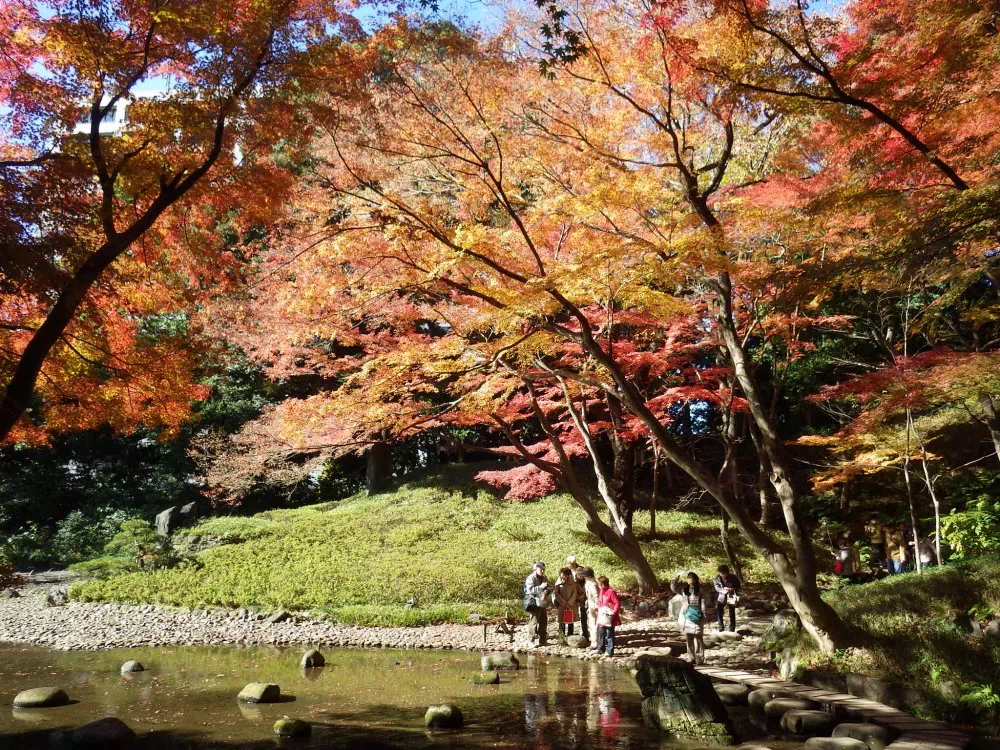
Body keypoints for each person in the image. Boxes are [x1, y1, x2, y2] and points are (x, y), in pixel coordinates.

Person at [679, 572, 706, 664]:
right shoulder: (685, 590)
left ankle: (699, 659)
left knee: (698, 637)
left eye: (691, 577)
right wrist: (677, 576)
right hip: (686, 615)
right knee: (689, 637)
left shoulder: (700, 590)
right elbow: (673, 587)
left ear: (695, 579)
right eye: (688, 578)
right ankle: (691, 657)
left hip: (697, 615)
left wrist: (704, 613)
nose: (689, 579)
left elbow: (703, 602)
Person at [524, 562, 551, 646]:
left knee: (544, 621)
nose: (542, 571)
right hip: (534, 602)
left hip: (542, 602)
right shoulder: (531, 578)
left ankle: (543, 640)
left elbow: (547, 587)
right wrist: (540, 587)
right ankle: (530, 641)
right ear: (536, 569)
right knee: (534, 621)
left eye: (544, 569)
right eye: (541, 569)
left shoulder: (544, 577)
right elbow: (529, 590)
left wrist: (546, 593)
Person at [595, 576, 621, 656]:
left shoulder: (611, 591)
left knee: (610, 634)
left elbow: (617, 603)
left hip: (609, 616)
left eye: (599, 584)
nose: (598, 585)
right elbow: (600, 602)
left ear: (602, 584)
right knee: (601, 633)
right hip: (602, 616)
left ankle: (610, 651)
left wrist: (614, 612)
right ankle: (601, 649)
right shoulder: (601, 591)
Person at [713, 564, 740, 632]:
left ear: (727, 572)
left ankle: (732, 628)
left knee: (731, 611)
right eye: (720, 573)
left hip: (731, 595)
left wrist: (732, 589)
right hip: (722, 596)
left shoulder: (733, 577)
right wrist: (722, 590)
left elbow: (738, 585)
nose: (722, 574)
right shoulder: (717, 578)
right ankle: (721, 627)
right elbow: (716, 586)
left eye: (723, 573)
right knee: (719, 611)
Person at [555, 567, 579, 636]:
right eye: (562, 575)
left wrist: (570, 602)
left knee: (570, 619)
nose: (563, 577)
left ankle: (570, 635)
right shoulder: (558, 582)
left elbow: (574, 593)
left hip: (571, 604)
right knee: (561, 620)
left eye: (565, 575)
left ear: (568, 575)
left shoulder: (572, 582)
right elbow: (556, 593)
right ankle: (562, 636)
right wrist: (563, 602)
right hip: (561, 604)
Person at [583, 568, 600, 649]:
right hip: (590, 605)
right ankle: (594, 642)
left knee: (594, 625)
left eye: (585, 575)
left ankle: (595, 643)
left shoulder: (593, 584)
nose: (584, 577)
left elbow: (597, 597)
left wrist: (595, 608)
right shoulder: (589, 583)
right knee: (591, 624)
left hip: (594, 607)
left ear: (588, 576)